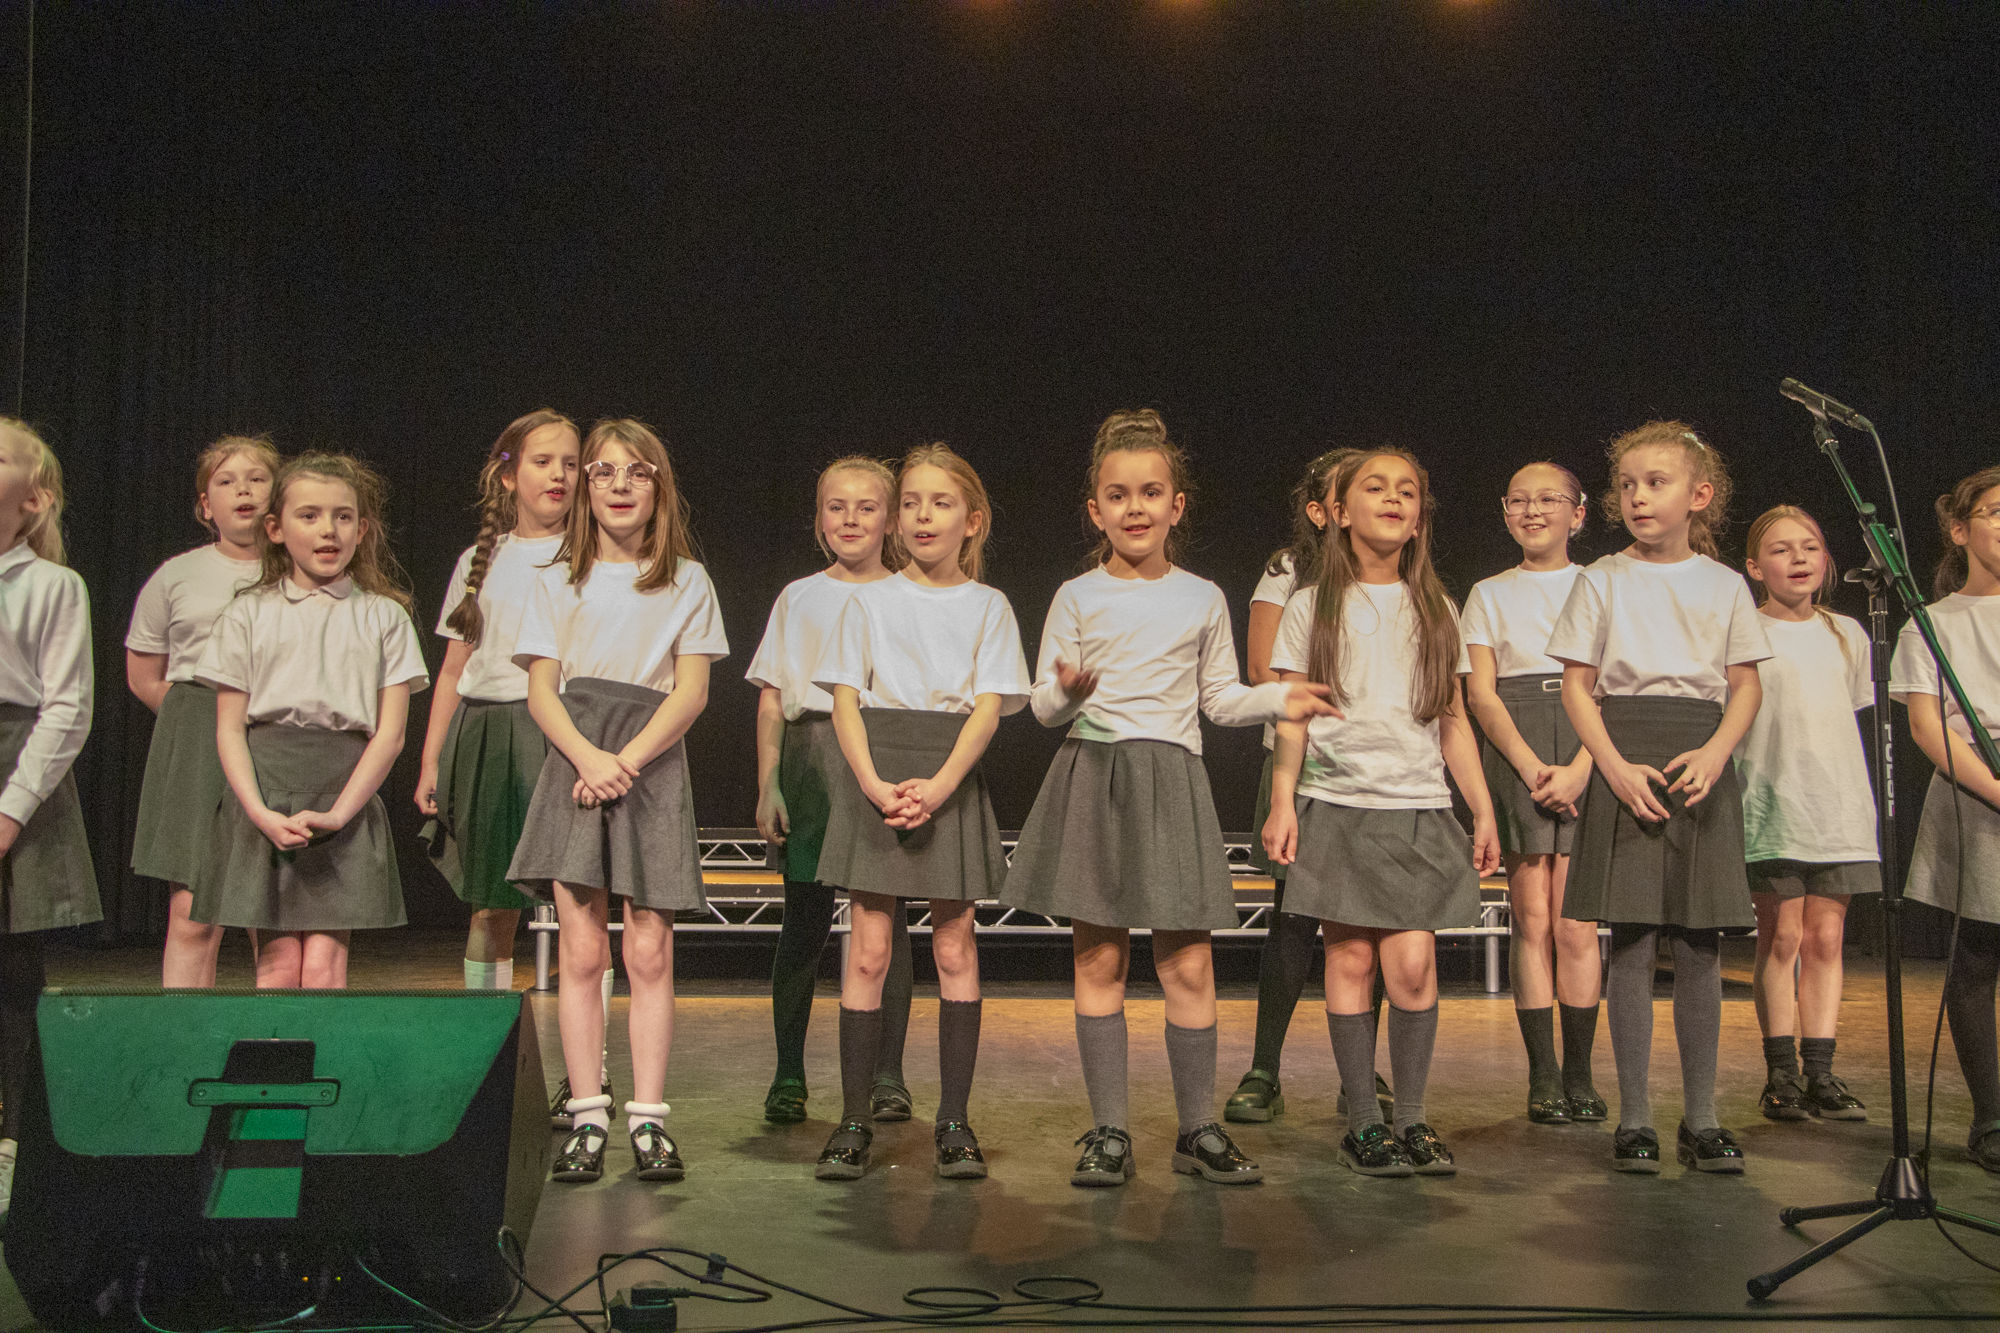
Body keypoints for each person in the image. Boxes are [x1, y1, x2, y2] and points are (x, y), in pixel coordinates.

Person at [1004, 410, 1337, 1187]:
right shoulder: (1076, 595)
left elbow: (1218, 697)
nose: (1136, 507)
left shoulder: (1201, 596)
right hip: (1095, 775)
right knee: (1100, 960)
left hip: (1173, 779)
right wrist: (1067, 690)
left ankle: (1197, 1129)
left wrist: (1278, 698)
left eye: (1151, 492)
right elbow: (1042, 705)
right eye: (1118, 495)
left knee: (1188, 964)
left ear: (1176, 505)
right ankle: (1110, 1131)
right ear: (1095, 509)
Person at [1263, 448, 1500, 1179]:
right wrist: (1282, 801)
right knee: (1351, 957)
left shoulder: (1437, 607)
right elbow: (1292, 718)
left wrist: (1482, 808)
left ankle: (1413, 1117)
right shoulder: (1311, 605)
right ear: (1339, 511)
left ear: (1420, 517)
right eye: (1375, 487)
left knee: (1414, 965)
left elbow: (1453, 719)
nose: (1394, 498)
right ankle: (1365, 1122)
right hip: (1337, 804)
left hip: (1415, 805)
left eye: (1407, 491)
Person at [508, 420, 728, 1185]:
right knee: (580, 950)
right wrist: (589, 758)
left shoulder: (687, 581)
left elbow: (692, 691)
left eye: (637, 471)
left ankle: (648, 1120)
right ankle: (588, 1117)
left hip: (649, 764)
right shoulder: (555, 580)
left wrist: (625, 761)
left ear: (659, 485)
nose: (620, 485)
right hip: (577, 760)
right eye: (604, 471)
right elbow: (541, 689)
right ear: (586, 486)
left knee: (650, 948)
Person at [1548, 421, 1768, 1175]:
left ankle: (1701, 1117)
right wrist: (1610, 767)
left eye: (1656, 482)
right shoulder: (1601, 578)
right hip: (1628, 751)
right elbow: (1578, 687)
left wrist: (1716, 751)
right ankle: (1636, 1115)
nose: (1638, 497)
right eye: (1628, 485)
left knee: (1701, 944)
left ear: (1699, 495)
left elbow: (1745, 685)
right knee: (1635, 941)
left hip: (1698, 756)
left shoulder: (1725, 584)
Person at [809, 444, 1029, 1182]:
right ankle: (853, 1119)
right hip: (878, 771)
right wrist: (875, 784)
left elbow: (988, 708)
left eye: (940, 502)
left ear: (973, 520)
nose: (923, 515)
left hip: (948, 777)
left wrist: (938, 787)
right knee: (868, 950)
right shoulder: (867, 601)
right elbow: (845, 701)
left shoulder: (989, 606)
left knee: (955, 947)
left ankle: (955, 1121)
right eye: (911, 502)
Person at [192, 453, 428, 988]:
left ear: (362, 530)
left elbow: (390, 735)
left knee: (323, 967)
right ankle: (274, 1050)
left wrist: (341, 813)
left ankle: (324, 1050)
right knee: (277, 965)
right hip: (267, 790)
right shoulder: (248, 613)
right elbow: (229, 728)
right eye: (310, 515)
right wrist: (258, 812)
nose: (328, 530)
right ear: (275, 528)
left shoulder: (383, 616)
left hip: (343, 791)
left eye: (343, 516)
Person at [748, 455, 916, 1127]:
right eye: (836, 506)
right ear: (819, 519)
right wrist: (769, 782)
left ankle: (887, 1075)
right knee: (804, 920)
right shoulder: (798, 596)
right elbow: (771, 700)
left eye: (866, 506)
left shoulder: (909, 595)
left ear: (890, 519)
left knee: (887, 923)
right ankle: (788, 1073)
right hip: (812, 759)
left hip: (880, 752)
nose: (850, 519)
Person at [1461, 461, 1605, 1125]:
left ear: (1579, 512)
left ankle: (1581, 1073)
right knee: (1532, 915)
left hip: (1588, 739)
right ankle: (1543, 1072)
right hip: (1516, 739)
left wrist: (1581, 766)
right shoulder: (1488, 592)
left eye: (1549, 499)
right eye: (1520, 500)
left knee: (1576, 922)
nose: (1534, 510)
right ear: (1504, 511)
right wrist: (1527, 766)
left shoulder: (1600, 585)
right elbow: (1481, 693)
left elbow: (1614, 682)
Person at [1737, 504, 1877, 1123]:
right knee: (1783, 936)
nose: (1798, 558)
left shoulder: (1848, 633)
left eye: (1810, 546)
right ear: (1754, 567)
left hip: (1837, 807)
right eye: (1781, 549)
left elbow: (1846, 715)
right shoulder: (1745, 632)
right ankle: (1781, 1074)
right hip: (1772, 804)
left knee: (1826, 938)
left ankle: (1821, 1071)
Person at [127, 436, 277, 986]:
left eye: (257, 478)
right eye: (226, 481)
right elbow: (143, 675)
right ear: (205, 505)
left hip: (277, 729)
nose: (243, 490)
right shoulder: (177, 574)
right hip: (196, 732)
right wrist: (197, 719)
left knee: (275, 911)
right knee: (193, 909)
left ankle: (282, 1033)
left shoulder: (302, 574)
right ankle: (185, 1033)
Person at [0, 420, 98, 1223]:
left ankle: (10, 1148)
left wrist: (10, 811)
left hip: (16, 771)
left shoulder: (52, 586)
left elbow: (67, 708)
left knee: (9, 971)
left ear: (32, 500)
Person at [1889, 464, 2000, 1172]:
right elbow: (1928, 728)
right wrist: (1996, 789)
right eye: (1996, 511)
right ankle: (1992, 1116)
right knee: (1980, 954)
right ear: (1960, 530)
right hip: (1974, 784)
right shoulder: (1932, 622)